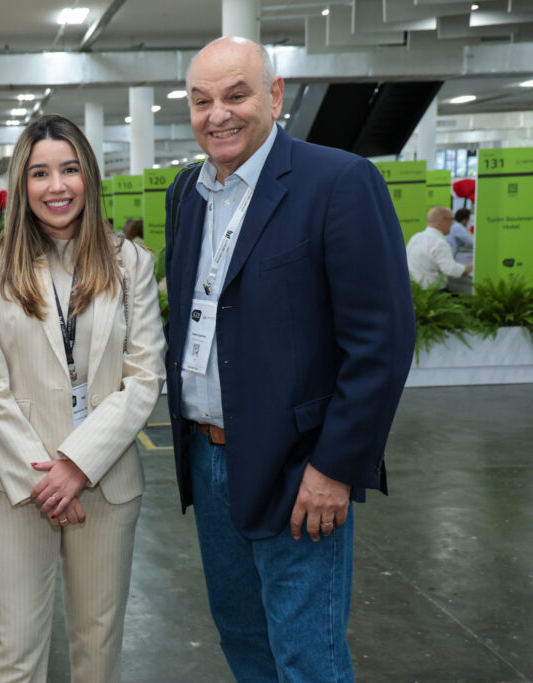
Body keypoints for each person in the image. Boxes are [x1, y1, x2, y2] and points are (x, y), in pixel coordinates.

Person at [164, 37, 414, 681]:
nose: (217, 114)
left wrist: (335, 467)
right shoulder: (186, 194)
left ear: (274, 96)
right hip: (207, 455)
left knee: (308, 657)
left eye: (236, 95)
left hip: (298, 468)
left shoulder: (338, 182)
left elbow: (380, 343)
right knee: (243, 641)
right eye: (201, 101)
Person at [0, 114, 165, 683]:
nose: (57, 186)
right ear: (22, 185)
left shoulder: (129, 264)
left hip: (105, 480)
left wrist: (76, 465)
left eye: (70, 169)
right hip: (18, 486)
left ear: (89, 176)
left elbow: (145, 375)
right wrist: (46, 479)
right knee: (12, 653)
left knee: (98, 651)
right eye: (40, 173)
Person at [407, 206, 472, 287]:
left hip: (414, 290)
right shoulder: (439, 243)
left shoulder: (415, 238)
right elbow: (452, 270)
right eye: (452, 219)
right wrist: (471, 267)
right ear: (443, 221)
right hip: (433, 293)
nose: (453, 223)